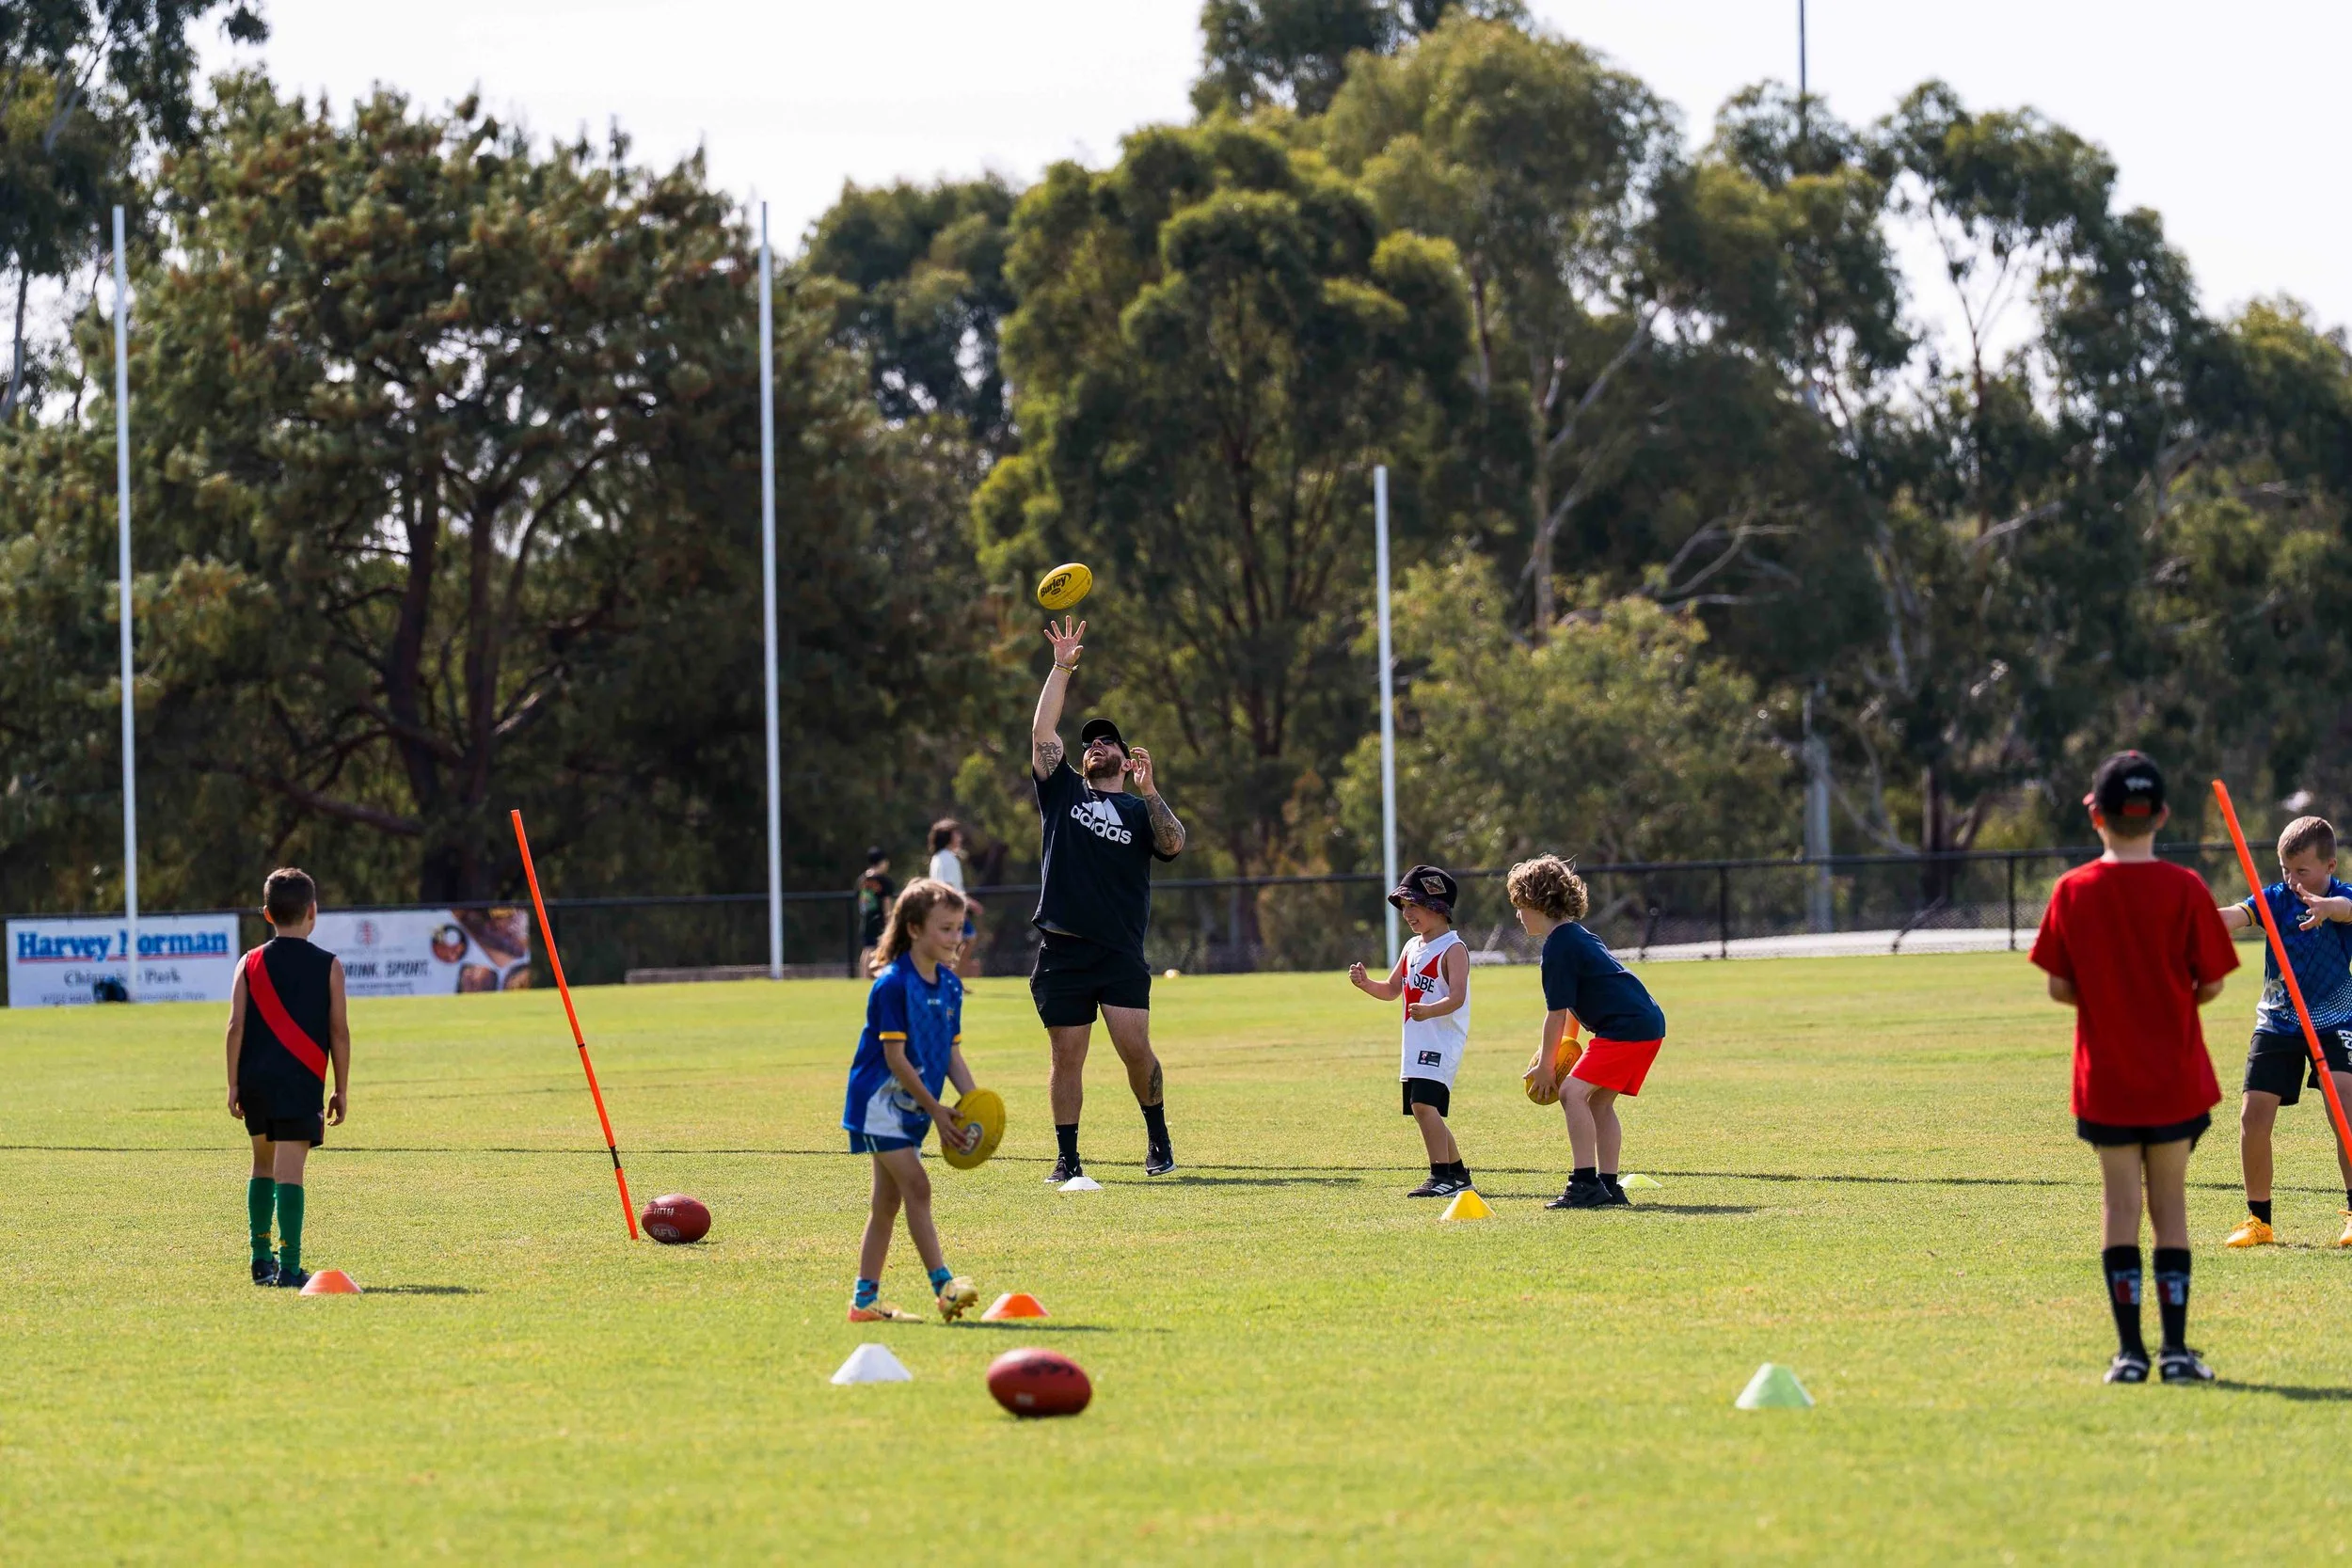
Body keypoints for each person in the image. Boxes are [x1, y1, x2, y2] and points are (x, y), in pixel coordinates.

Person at [2030, 750, 2237, 1385]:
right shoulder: (2186, 888)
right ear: (2163, 815)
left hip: (2108, 1083)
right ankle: (2176, 1353)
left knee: (2120, 1207)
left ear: (2097, 815)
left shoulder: (2073, 890)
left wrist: (2105, 995)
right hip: (2174, 1078)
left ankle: (2129, 1355)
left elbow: (2059, 986)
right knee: (2169, 1207)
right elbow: (2210, 984)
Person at [1028, 614, 1186, 1181]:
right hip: (1064, 950)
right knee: (1066, 1058)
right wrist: (1061, 667)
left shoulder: (1142, 810)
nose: (1095, 745)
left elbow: (1174, 843)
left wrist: (1152, 792)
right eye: (1090, 741)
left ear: (1127, 756)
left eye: (1107, 741)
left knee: (1134, 1049)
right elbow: (1044, 735)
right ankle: (1067, 1159)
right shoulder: (1063, 790)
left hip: (1118, 952)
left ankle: (1158, 1139)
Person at [842, 878, 983, 1324]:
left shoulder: (951, 986)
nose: (955, 938)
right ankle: (944, 1288)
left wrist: (975, 1103)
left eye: (959, 928)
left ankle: (864, 1303)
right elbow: (895, 1058)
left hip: (912, 1108)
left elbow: (952, 1056)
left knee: (886, 1204)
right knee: (918, 1186)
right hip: (878, 1102)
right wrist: (938, 1111)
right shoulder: (892, 985)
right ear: (915, 929)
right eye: (945, 928)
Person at [2217, 815, 2352, 1248]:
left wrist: (2330, 909)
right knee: (2253, 1116)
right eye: (2285, 871)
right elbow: (2235, 916)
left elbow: (2349, 909)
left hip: (2334, 1020)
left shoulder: (2343, 896)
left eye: (2303, 871)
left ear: (2330, 866)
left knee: (2346, 1108)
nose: (2293, 881)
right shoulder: (2275, 899)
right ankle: (2259, 1221)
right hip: (2277, 1020)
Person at [1510, 854, 1666, 1212]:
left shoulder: (1558, 946)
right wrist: (1562, 1050)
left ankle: (1584, 1183)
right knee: (1598, 1101)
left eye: (1520, 906)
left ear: (1536, 902)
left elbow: (1556, 1014)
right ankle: (1608, 1186)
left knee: (1571, 1093)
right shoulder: (1575, 935)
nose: (1518, 915)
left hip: (1626, 1028)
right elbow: (1572, 1014)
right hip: (1643, 1024)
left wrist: (1548, 1066)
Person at [221, 867, 352, 1291]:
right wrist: (341, 1088)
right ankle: (290, 1267)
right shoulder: (330, 966)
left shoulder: (248, 962)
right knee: (290, 1172)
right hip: (301, 1079)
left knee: (262, 1164)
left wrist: (232, 1083)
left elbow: (234, 1026)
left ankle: (261, 1259)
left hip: (256, 1079)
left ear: (266, 913)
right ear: (313, 911)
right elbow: (338, 1032)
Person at [1349, 864, 1474, 1197]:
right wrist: (1366, 984)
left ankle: (1441, 1177)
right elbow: (1392, 990)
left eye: (1414, 905)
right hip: (1416, 1042)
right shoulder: (1411, 948)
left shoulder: (1453, 949)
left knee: (1423, 1106)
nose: (1407, 914)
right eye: (1404, 907)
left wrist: (1430, 1011)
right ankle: (1458, 1174)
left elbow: (1457, 997)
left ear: (1439, 907)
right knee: (1422, 1108)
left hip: (1441, 1042)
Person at [928, 818, 984, 975]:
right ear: (948, 837)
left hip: (940, 907)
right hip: (951, 907)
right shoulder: (949, 858)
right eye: (956, 834)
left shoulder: (937, 858)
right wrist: (969, 904)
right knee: (969, 939)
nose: (960, 837)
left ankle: (950, 976)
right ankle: (953, 976)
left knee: (953, 943)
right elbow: (950, 887)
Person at [854, 847, 895, 978]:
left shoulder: (862, 879)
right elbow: (886, 902)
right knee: (876, 949)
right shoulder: (883, 881)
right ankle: (873, 975)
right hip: (879, 919)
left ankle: (864, 976)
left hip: (866, 918)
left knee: (866, 949)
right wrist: (890, 921)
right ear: (882, 862)